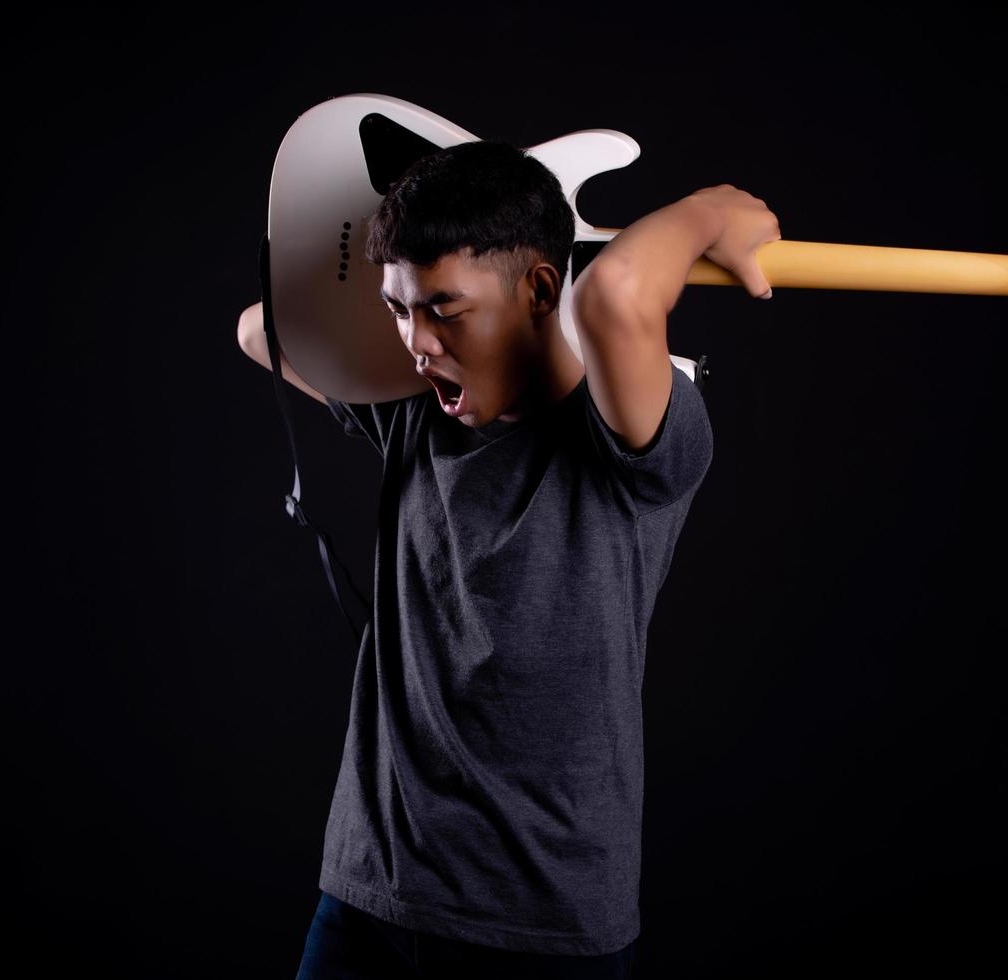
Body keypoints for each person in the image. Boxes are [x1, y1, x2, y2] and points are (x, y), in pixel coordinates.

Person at [238, 141, 779, 979]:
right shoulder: (416, 413)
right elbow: (261, 329)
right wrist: (454, 216)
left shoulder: (634, 439)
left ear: (537, 289)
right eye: (397, 309)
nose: (416, 344)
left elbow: (615, 297)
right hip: (369, 899)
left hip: (535, 929)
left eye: (444, 309)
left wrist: (709, 208)